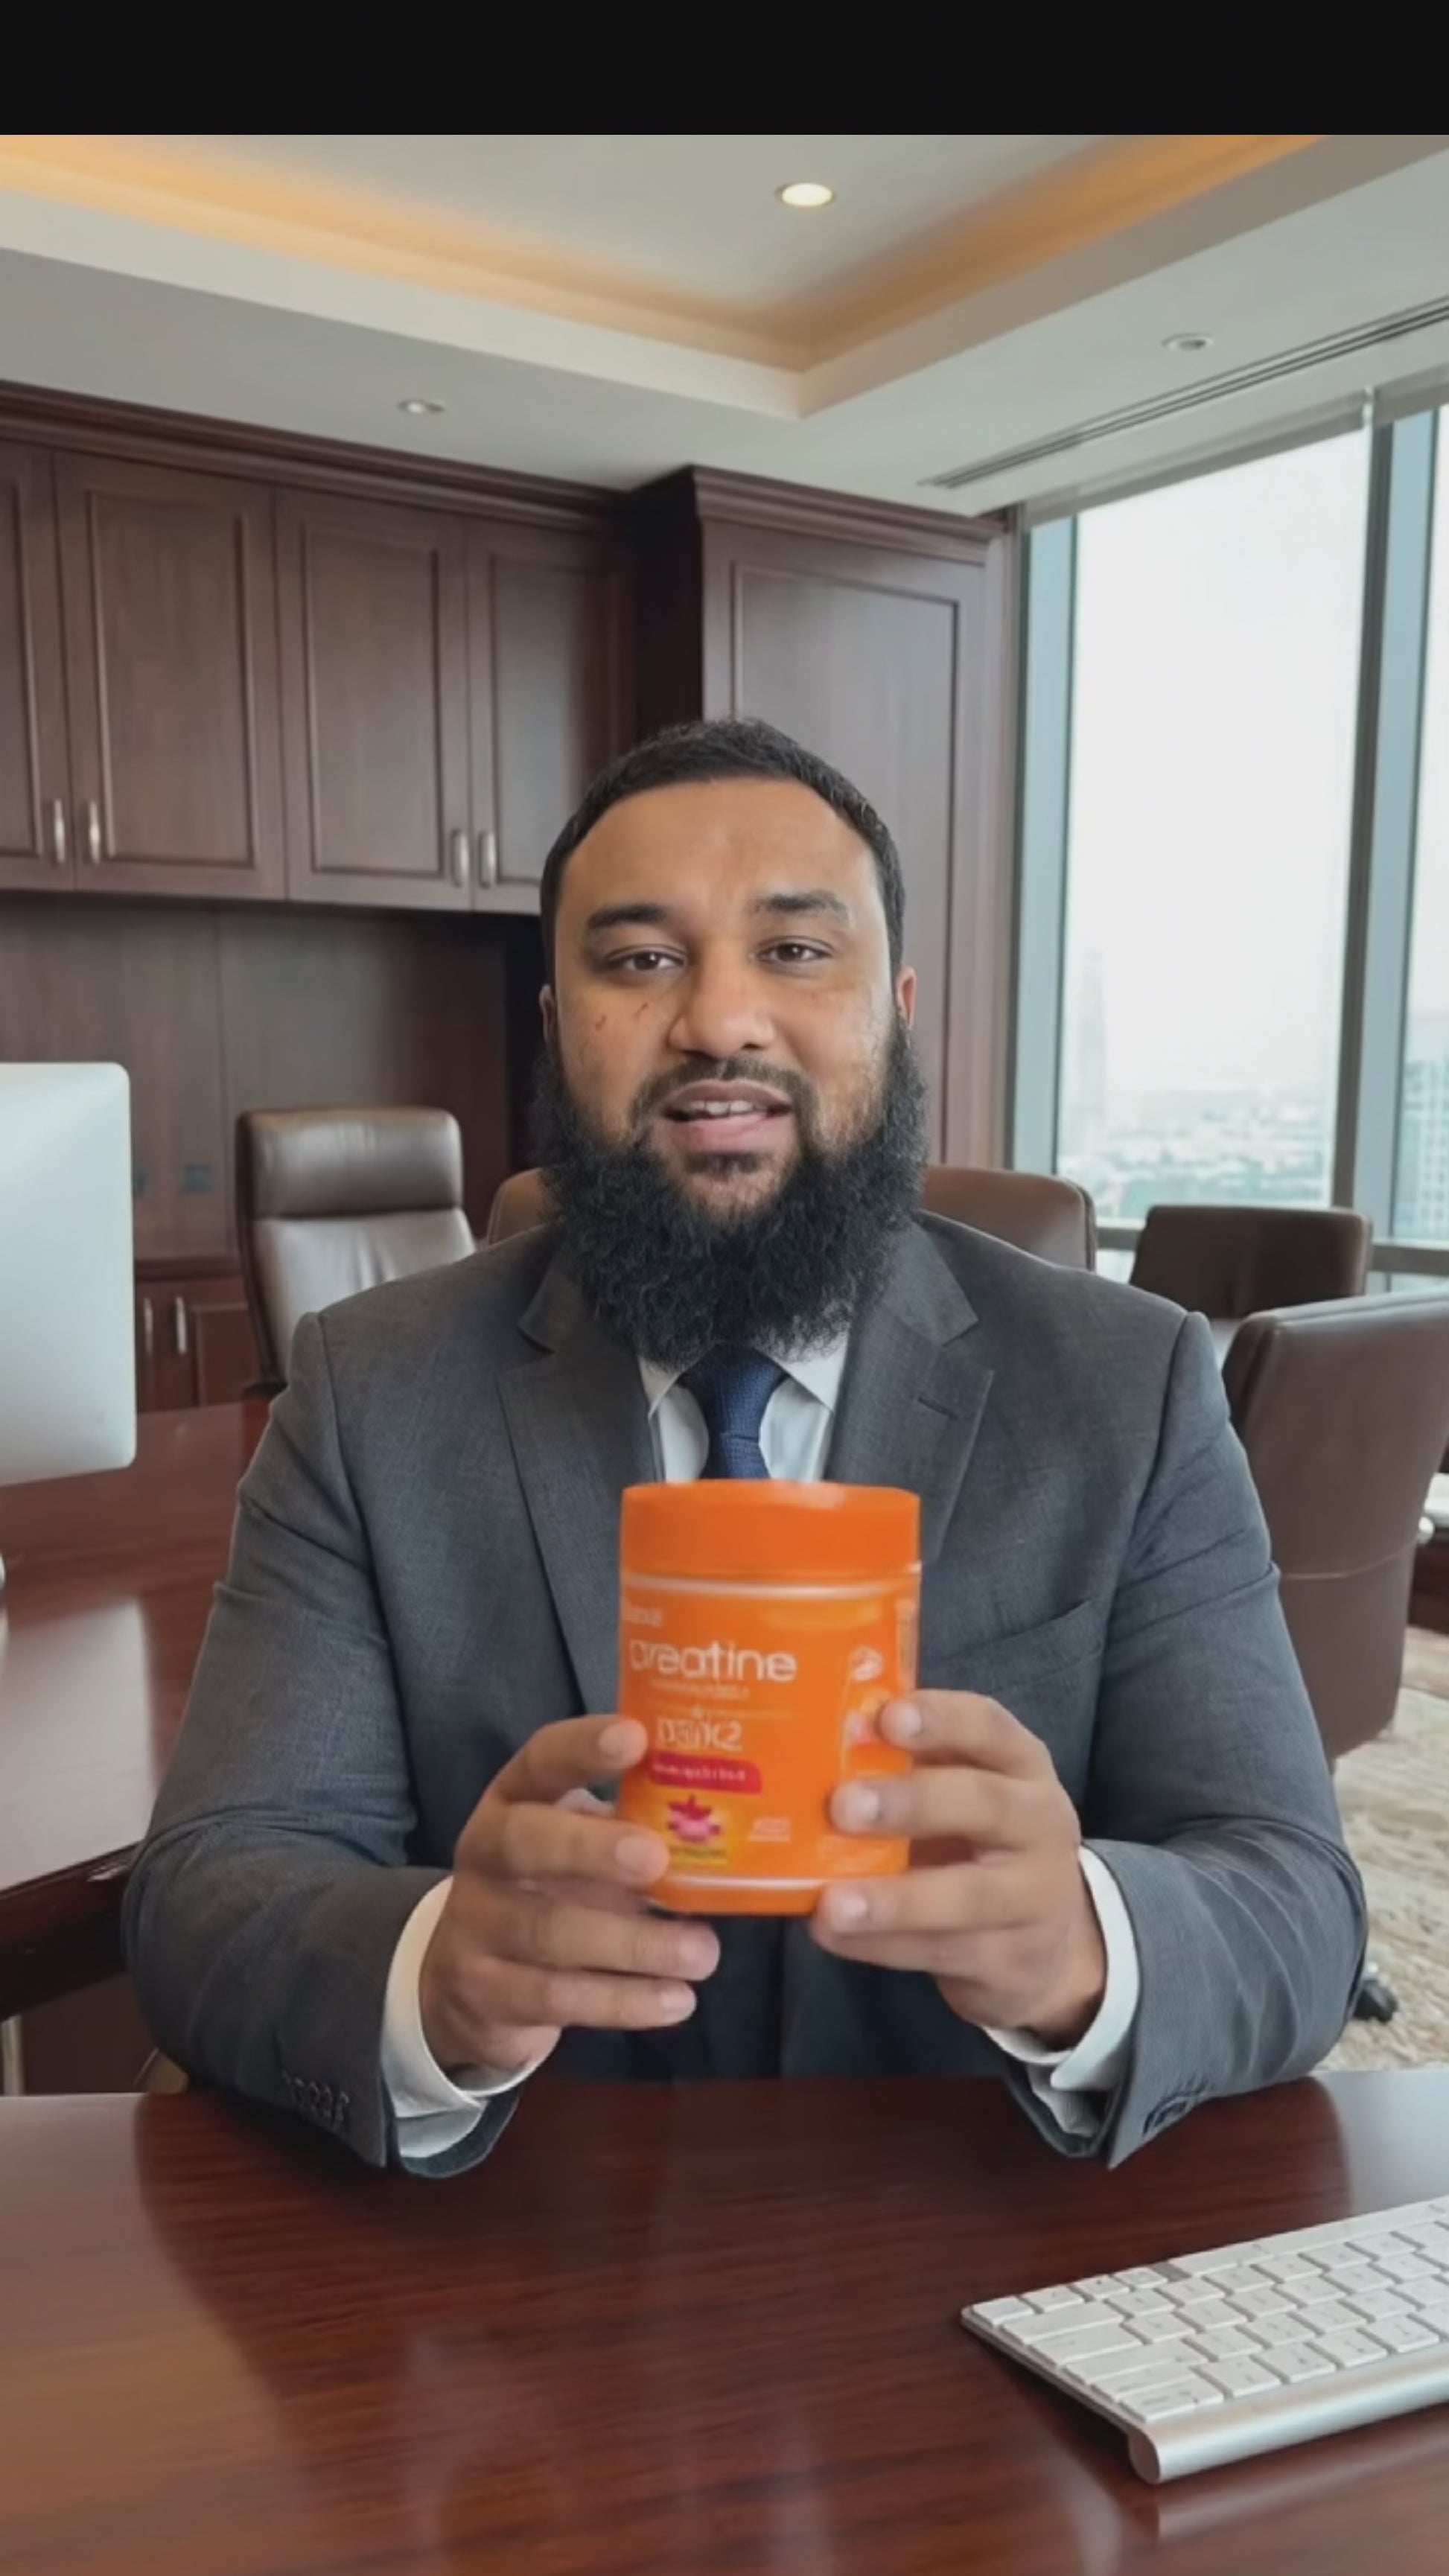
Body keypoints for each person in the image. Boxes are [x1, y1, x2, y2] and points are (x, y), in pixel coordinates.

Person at [124, 717, 1366, 2176]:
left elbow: (1294, 1904)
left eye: (793, 950)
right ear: (555, 1027)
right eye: (640, 958)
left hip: (980, 2236)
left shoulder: (1126, 1385)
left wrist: (1084, 1945)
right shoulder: (369, 1391)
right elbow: (211, 1889)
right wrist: (430, 1976)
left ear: (895, 1009)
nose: (719, 1019)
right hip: (517, 2250)